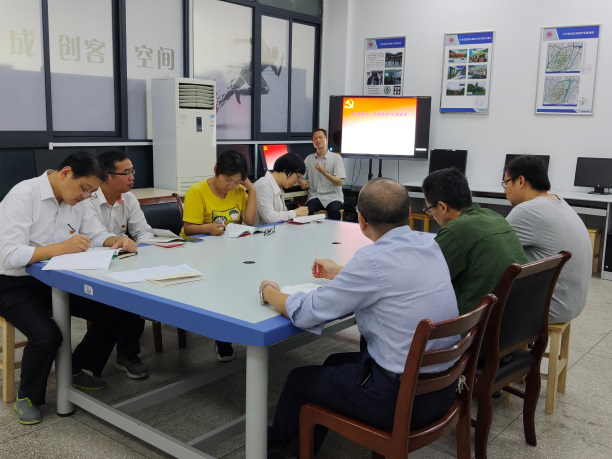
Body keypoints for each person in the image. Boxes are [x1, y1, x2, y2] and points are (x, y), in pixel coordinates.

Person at [259, 178, 460, 457]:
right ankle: (300, 444)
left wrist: (270, 292)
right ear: (408, 213)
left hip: (399, 400)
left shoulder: (371, 260)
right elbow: (393, 278)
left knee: (297, 380)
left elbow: (307, 313)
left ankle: (282, 452)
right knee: (334, 362)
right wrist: (341, 273)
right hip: (442, 390)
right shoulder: (430, 243)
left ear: (362, 220)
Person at [0, 152, 138, 425]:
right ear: (65, 173)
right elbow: (8, 255)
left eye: (92, 192)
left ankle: (76, 367)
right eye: (84, 188)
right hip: (13, 284)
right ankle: (28, 396)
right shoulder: (23, 196)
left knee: (116, 309)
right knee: (47, 335)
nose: (86, 197)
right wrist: (60, 248)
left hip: (58, 279)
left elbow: (96, 234)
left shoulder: (79, 200)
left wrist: (115, 240)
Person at [181, 150, 257, 362]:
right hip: (198, 252)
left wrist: (252, 189)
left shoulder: (239, 190)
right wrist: (208, 228)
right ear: (216, 171)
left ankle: (236, 327)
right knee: (223, 285)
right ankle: (222, 338)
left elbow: (250, 221)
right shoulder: (197, 191)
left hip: (228, 252)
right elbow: (188, 229)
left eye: (237, 181)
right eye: (227, 179)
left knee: (242, 280)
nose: (230, 186)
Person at [85, 150, 154, 379]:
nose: (132, 177)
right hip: (94, 267)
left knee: (138, 293)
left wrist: (142, 246)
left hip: (123, 263)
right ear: (106, 176)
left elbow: (143, 232)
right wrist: (118, 243)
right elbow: (94, 238)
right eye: (126, 173)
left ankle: (127, 355)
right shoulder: (89, 200)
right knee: (125, 300)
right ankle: (120, 355)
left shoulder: (129, 198)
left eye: (133, 171)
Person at [421, 168, 527, 315]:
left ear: (442, 207)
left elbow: (425, 279)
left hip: (477, 322)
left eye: (429, 210)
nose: (432, 216)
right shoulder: (494, 216)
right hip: (514, 315)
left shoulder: (455, 231)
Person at [504, 155, 592, 323]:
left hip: (551, 307)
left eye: (506, 183)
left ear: (520, 181)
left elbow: (494, 248)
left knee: (481, 289)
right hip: (574, 302)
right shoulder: (558, 201)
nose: (504, 191)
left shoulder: (526, 210)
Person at [301, 128, 346, 220]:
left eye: (320, 137)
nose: (318, 140)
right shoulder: (309, 159)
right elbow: (300, 176)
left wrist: (325, 174)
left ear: (326, 139)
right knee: (305, 211)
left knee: (334, 210)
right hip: (315, 196)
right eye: (315, 138)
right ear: (312, 142)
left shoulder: (336, 158)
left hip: (333, 197)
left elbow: (339, 182)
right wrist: (301, 181)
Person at [254, 152, 309, 224]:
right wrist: (295, 213)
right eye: (297, 177)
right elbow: (269, 218)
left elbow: (281, 215)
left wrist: (297, 215)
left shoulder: (278, 187)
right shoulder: (264, 185)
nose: (296, 182)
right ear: (286, 170)